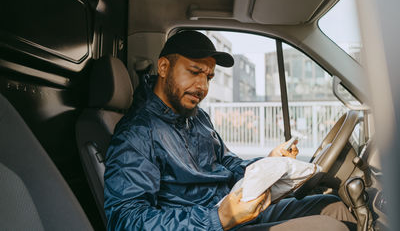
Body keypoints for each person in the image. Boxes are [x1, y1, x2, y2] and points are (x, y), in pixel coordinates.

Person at [104, 31, 357, 230]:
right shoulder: (137, 133)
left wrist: (270, 162)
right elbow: (125, 221)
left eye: (209, 77)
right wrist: (219, 218)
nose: (202, 86)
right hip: (210, 224)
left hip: (234, 211)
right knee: (327, 228)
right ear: (163, 68)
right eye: (194, 72)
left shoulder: (197, 116)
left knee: (331, 206)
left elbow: (228, 164)